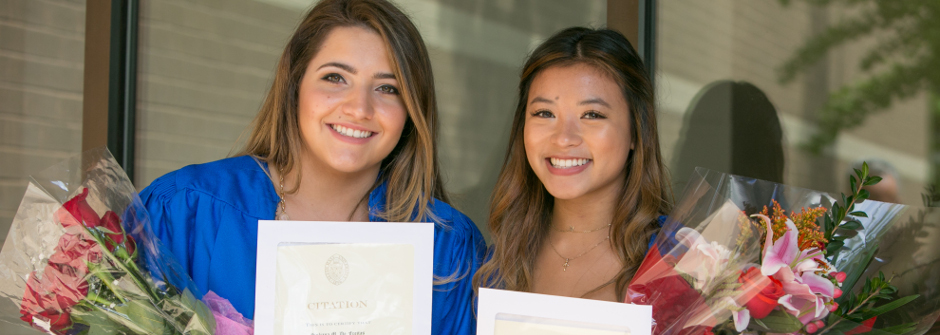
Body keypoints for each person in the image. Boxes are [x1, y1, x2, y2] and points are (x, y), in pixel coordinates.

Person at [138, 0, 485, 333]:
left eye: (387, 88)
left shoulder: (448, 251)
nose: (359, 108)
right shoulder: (187, 212)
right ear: (294, 87)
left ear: (411, 111)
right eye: (335, 78)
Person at [473, 27, 671, 302]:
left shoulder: (680, 264)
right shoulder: (495, 265)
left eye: (591, 114)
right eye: (544, 113)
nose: (564, 138)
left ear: (636, 132)